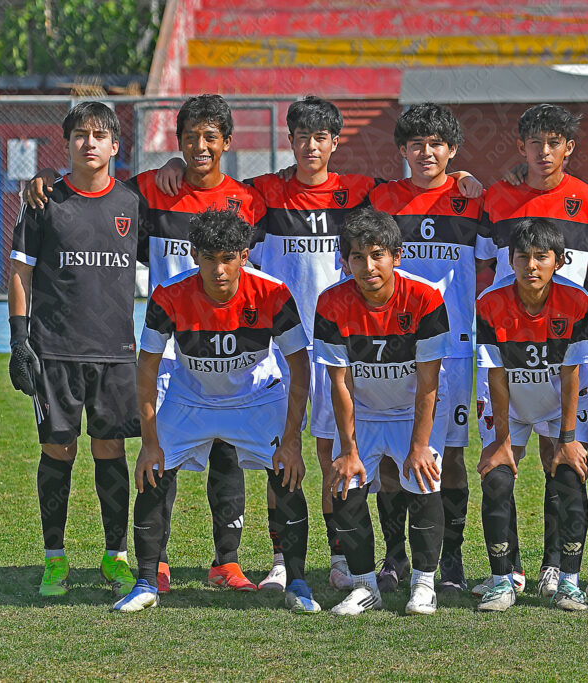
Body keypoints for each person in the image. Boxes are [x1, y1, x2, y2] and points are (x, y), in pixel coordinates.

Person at [155, 95, 481, 593]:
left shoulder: (363, 192)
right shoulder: (266, 192)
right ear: (290, 141)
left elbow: (428, 183)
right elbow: (214, 186)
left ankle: (363, 557)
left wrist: (462, 176)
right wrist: (178, 165)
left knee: (372, 454)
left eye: (321, 137)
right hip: (283, 344)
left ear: (335, 142)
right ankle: (288, 558)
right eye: (302, 137)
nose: (311, 147)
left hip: (363, 343)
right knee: (284, 454)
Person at [23, 94, 267, 593]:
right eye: (190, 138)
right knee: (161, 454)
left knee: (225, 451)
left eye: (210, 137)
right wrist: (45, 176)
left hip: (227, 349)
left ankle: (227, 561)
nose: (200, 147)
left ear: (227, 142)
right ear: (178, 142)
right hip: (168, 350)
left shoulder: (246, 200)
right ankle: (155, 562)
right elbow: (89, 190)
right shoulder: (151, 190)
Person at [113, 209, 314, 613]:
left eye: (227, 259)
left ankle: (297, 583)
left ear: (244, 256)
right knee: (153, 472)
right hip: (192, 398)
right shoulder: (169, 294)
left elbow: (299, 365)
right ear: (194, 256)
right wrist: (149, 444)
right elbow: (147, 366)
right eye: (208, 258)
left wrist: (291, 442)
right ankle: (146, 582)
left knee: (287, 474)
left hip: (255, 399)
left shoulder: (273, 293)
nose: (218, 270)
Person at [475, 103, 588, 598]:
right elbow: (481, 261)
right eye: (534, 142)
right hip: (508, 345)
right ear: (521, 147)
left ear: (569, 148)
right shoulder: (496, 197)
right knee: (500, 463)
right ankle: (507, 571)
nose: (544, 151)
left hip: (566, 350)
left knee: (561, 460)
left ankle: (556, 565)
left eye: (554, 142)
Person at [8, 101, 143, 598]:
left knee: (111, 449)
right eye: (80, 134)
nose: (90, 143)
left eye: (99, 135)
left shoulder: (132, 203)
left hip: (115, 352)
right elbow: (20, 272)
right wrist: (18, 339)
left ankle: (115, 557)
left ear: (115, 146)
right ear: (66, 143)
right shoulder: (44, 201)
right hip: (55, 351)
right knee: (58, 449)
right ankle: (55, 559)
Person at [367, 103, 483, 594]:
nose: (426, 152)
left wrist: (468, 179)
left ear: (452, 150)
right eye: (416, 144)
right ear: (402, 149)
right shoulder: (382, 199)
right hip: (392, 347)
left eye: (437, 144)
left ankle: (449, 559)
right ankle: (395, 556)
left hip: (452, 348)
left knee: (450, 456)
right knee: (391, 457)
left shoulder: (471, 200)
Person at [314, 207, 451, 616]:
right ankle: (364, 586)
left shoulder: (426, 297)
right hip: (364, 411)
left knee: (423, 481)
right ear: (345, 262)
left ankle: (424, 584)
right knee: (345, 483)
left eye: (377, 255)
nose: (368, 266)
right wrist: (348, 451)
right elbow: (340, 383)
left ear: (396, 256)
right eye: (358, 257)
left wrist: (420, 445)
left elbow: (428, 382)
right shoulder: (331, 302)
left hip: (414, 408)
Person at [474, 217, 588, 613]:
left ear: (558, 260)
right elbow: (495, 373)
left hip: (561, 401)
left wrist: (567, 439)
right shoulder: (490, 302)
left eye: (541, 257)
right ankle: (503, 580)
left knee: (569, 475)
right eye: (522, 257)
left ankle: (567, 581)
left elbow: (572, 372)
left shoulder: (576, 300)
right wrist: (502, 440)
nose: (531, 265)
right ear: (510, 260)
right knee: (497, 478)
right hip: (509, 401)